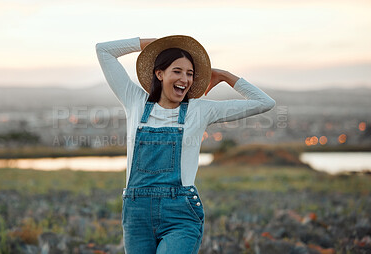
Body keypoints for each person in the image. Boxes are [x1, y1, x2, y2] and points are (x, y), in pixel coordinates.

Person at [96, 35, 275, 254]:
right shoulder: (135, 101)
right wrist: (156, 43)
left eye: (190, 74)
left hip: (179, 215)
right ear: (159, 74)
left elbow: (265, 102)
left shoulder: (199, 110)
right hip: (136, 216)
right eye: (177, 71)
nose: (185, 79)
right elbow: (103, 50)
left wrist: (226, 76)